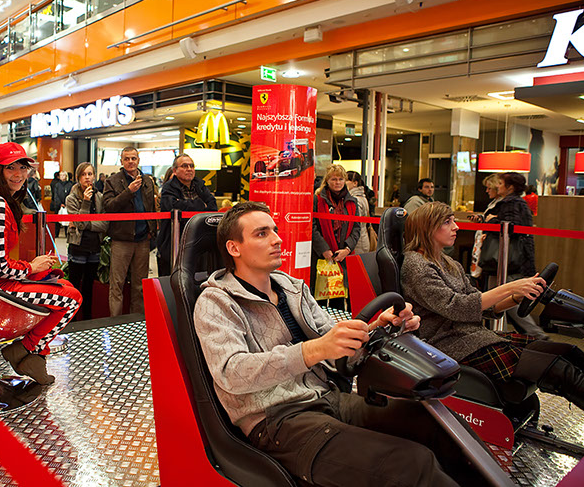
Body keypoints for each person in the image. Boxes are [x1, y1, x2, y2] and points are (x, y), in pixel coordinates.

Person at [194, 201, 488, 487]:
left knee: (434, 424)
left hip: (327, 397)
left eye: (274, 230)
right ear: (234, 248)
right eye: (262, 233)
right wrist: (313, 350)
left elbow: (333, 344)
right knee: (412, 463)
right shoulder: (216, 302)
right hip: (278, 420)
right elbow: (232, 372)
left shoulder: (292, 287)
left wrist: (377, 328)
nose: (277, 239)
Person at [401, 201, 584, 412]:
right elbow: (456, 306)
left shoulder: (448, 263)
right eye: (447, 222)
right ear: (427, 228)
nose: (456, 227)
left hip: (473, 338)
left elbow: (480, 304)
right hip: (449, 344)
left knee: (568, 351)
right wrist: (510, 287)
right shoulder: (416, 265)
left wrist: (516, 297)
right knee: (560, 370)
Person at [0, 142, 82, 385]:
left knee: (64, 285)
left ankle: (34, 356)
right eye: (10, 168)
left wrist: (32, 267)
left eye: (22, 167)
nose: (18, 174)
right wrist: (31, 267)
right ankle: (25, 350)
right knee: (72, 299)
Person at [481, 172, 547, 339]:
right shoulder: (517, 202)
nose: (498, 186)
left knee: (504, 297)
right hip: (513, 258)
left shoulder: (511, 203)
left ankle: (535, 334)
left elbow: (510, 227)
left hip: (507, 259)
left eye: (501, 183)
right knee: (503, 296)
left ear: (510, 187)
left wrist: (491, 220)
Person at [103, 146, 158, 316]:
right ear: (121, 161)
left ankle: (137, 321)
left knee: (140, 285)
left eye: (133, 158)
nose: (130, 162)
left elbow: (152, 207)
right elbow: (109, 207)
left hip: (142, 239)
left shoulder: (147, 181)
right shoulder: (112, 181)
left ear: (138, 160)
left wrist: (152, 230)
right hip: (121, 239)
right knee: (117, 285)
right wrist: (129, 192)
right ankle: (115, 322)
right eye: (126, 159)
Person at [156, 154, 217, 276]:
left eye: (191, 166)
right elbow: (171, 207)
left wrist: (184, 204)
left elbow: (212, 205)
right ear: (175, 170)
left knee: (198, 276)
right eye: (184, 166)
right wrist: (200, 204)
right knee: (175, 276)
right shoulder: (169, 187)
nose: (189, 169)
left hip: (199, 238)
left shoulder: (200, 185)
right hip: (175, 240)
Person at [66, 162, 108, 321]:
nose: (87, 178)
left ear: (94, 176)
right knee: (75, 285)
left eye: (90, 174)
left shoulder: (100, 197)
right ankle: (71, 319)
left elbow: (105, 224)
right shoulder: (71, 198)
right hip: (78, 246)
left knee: (89, 286)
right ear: (78, 178)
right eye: (83, 175)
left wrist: (87, 225)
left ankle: (87, 319)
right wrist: (85, 201)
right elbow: (80, 223)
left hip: (94, 246)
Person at [315, 164, 360, 309]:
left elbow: (356, 228)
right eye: (334, 179)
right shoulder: (317, 200)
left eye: (341, 179)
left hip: (343, 256)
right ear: (327, 181)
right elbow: (312, 227)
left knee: (339, 298)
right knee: (320, 299)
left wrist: (347, 249)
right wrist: (324, 249)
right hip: (322, 256)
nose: (337, 182)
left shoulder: (352, 201)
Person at [345, 171, 370, 255]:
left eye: (346, 180)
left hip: (358, 243)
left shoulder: (356, 200)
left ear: (355, 183)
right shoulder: (362, 197)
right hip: (362, 239)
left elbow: (355, 224)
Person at [51, 170, 73, 238]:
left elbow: (71, 194)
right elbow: (55, 195)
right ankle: (56, 233)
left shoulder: (70, 185)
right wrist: (60, 203)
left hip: (67, 204)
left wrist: (66, 203)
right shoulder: (57, 185)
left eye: (63, 175)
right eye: (61, 175)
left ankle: (67, 234)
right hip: (58, 204)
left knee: (67, 219)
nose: (62, 177)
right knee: (57, 220)